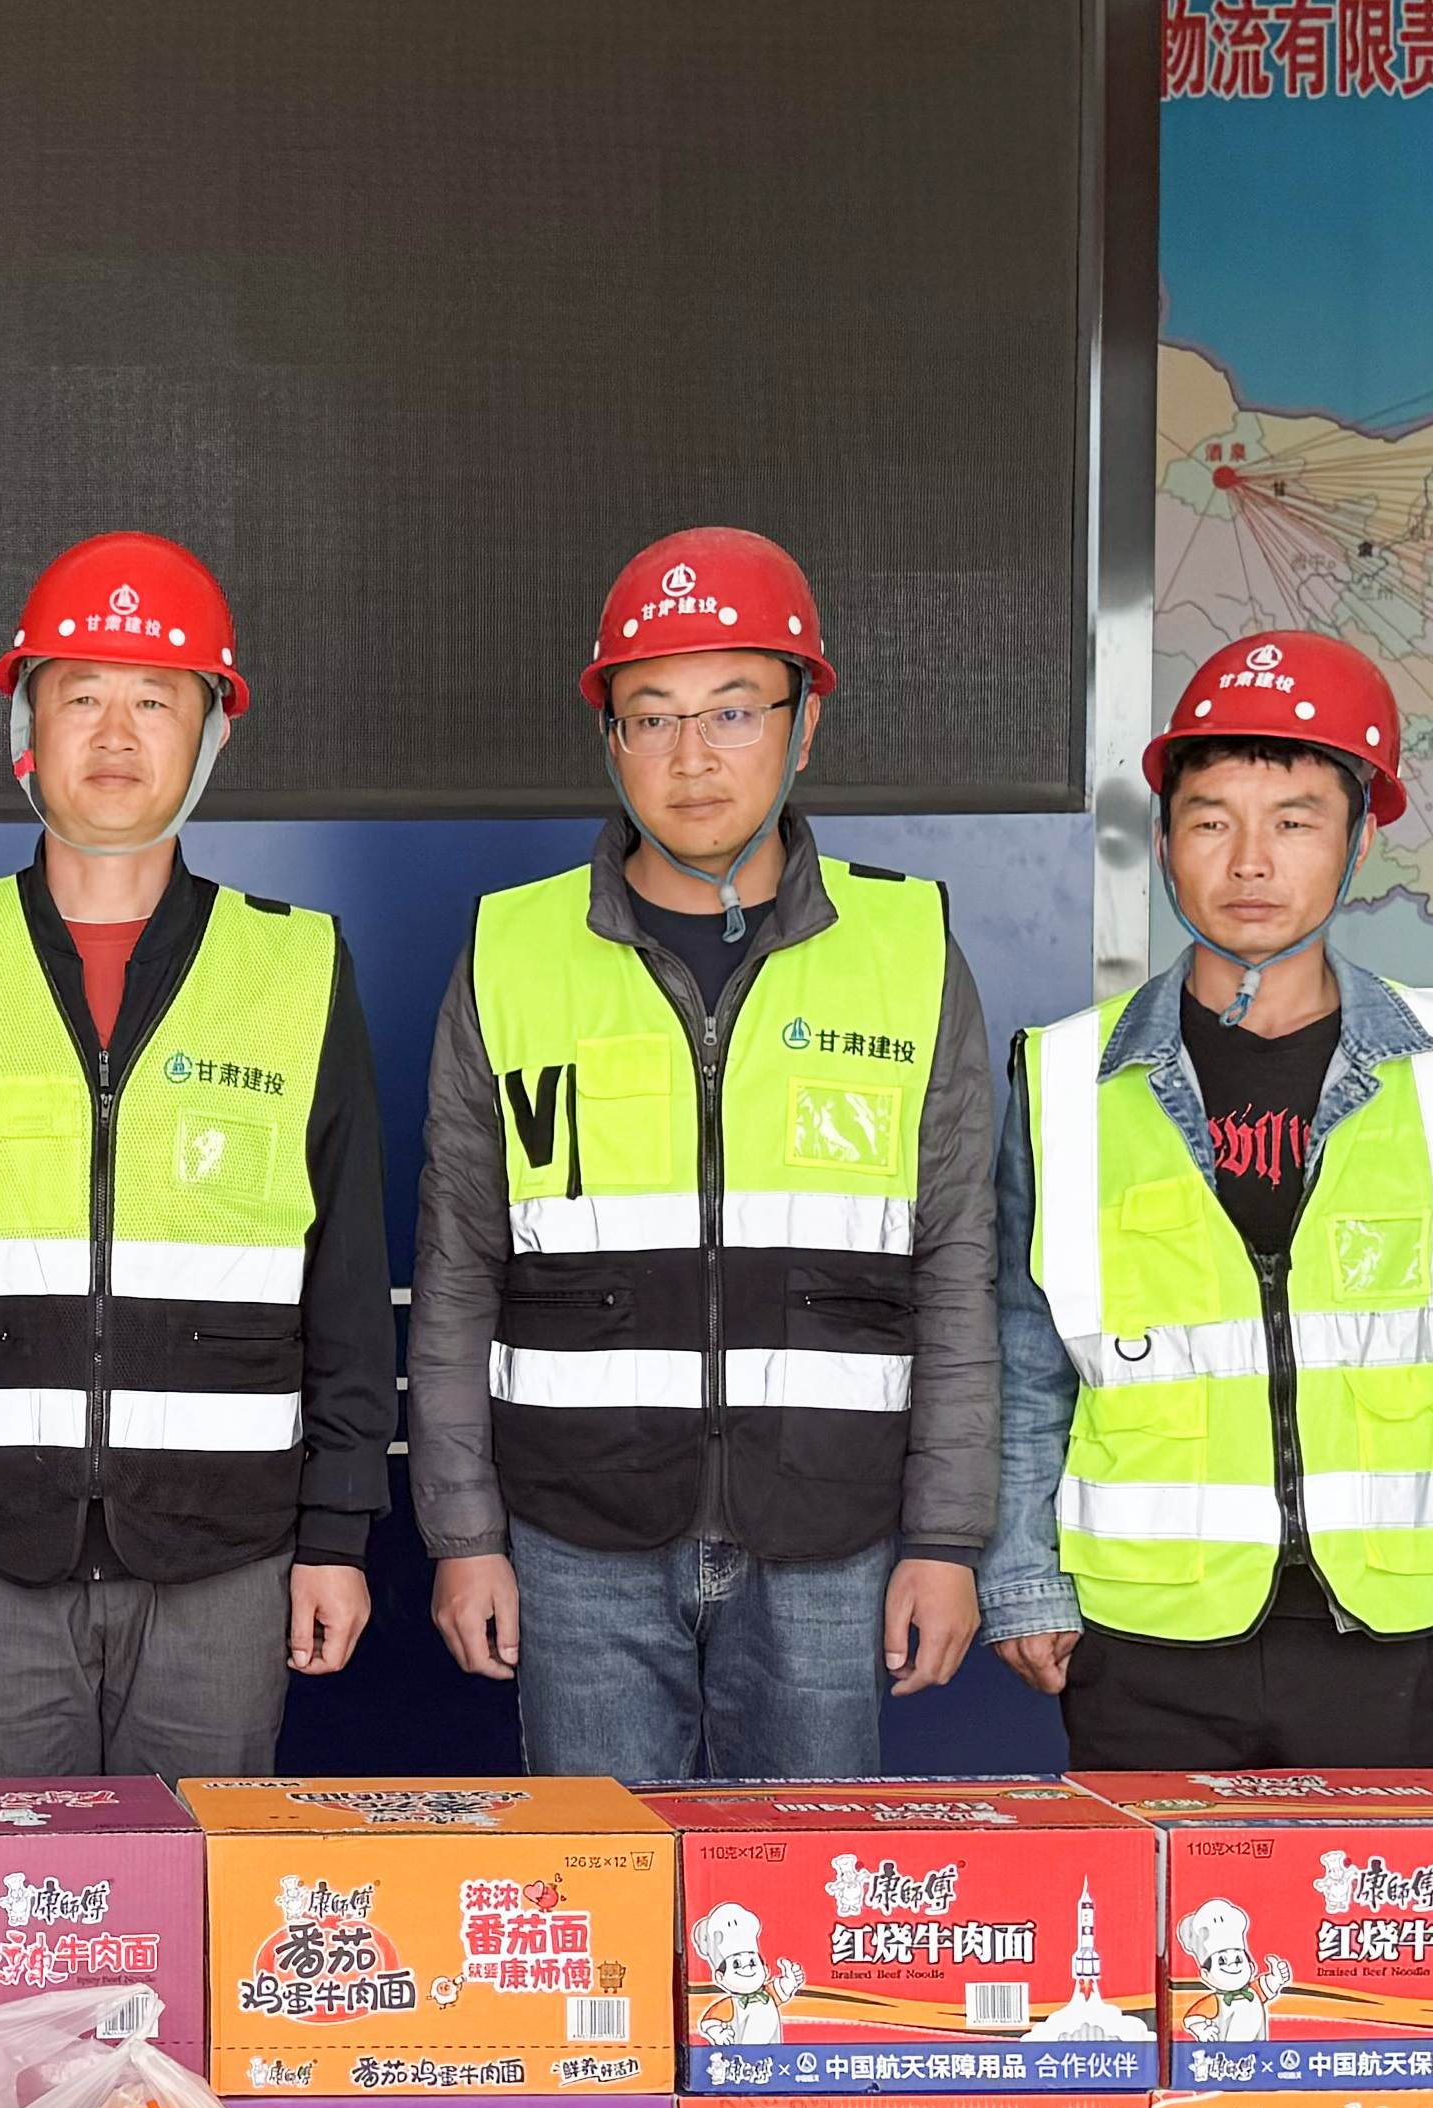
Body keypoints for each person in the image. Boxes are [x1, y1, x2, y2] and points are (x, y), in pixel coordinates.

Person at [411, 527, 1000, 1783]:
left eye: (733, 711)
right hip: (576, 1534)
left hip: (831, 1531)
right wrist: (463, 1534)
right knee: (603, 1889)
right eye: (652, 717)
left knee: (806, 1885)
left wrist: (947, 1540)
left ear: (804, 724)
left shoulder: (905, 949)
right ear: (610, 738)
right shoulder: (513, 951)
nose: (692, 758)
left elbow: (957, 1267)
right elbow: (458, 1271)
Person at [0, 533, 390, 1775]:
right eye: (81, 696)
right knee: (10, 1886)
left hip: (228, 1557)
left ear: (210, 735)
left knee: (199, 1876)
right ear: (26, 727)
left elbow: (347, 1283)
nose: (117, 735)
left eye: (156, 700)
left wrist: (337, 1533)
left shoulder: (294, 969)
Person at [982, 630, 1433, 1766]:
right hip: (1138, 1631)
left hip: (1380, 1629)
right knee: (1152, 1892)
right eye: (1211, 822)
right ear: (1163, 842)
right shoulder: (1065, 1076)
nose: (1249, 862)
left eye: (1293, 822)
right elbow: (1024, 1360)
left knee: (1356, 1893)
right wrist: (1021, 1574)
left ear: (1360, 840)